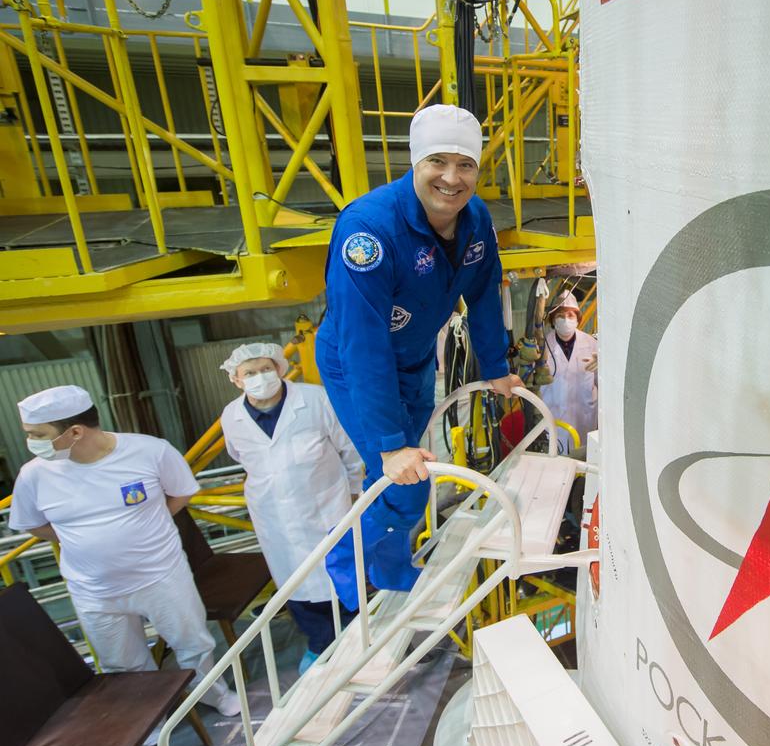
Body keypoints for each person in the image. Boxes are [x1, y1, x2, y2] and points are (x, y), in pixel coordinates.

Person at [315, 104, 522, 610]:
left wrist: (495, 369)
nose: (452, 178)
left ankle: (387, 564)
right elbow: (363, 347)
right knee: (404, 480)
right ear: (415, 163)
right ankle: (347, 562)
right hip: (356, 364)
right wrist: (390, 444)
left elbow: (483, 296)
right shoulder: (368, 231)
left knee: (403, 473)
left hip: (415, 359)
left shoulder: (474, 221)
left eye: (466, 165)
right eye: (438, 162)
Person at [8, 385, 241, 728]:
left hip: (162, 576)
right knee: (123, 662)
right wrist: (83, 538)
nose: (32, 443)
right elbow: (32, 524)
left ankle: (213, 694)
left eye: (38, 435)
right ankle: (149, 720)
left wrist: (145, 525)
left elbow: (181, 494)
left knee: (193, 644)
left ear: (75, 432)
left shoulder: (150, 452)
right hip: (94, 590)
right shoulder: (34, 475)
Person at [218, 343, 363, 673]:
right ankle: (319, 645)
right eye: (250, 373)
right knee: (294, 582)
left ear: (280, 369)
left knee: (341, 578)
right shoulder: (232, 415)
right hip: (273, 516)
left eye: (265, 369)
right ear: (236, 380)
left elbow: (349, 449)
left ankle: (358, 640)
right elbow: (241, 456)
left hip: (328, 506)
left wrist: (354, 494)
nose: (259, 378)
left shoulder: (315, 400)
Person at [540, 290, 599, 455]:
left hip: (585, 414)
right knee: (558, 460)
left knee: (586, 459)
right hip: (555, 415)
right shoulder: (543, 346)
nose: (566, 319)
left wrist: (604, 367)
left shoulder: (591, 344)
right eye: (560, 315)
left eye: (570, 315)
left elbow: (603, 383)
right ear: (553, 319)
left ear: (577, 319)